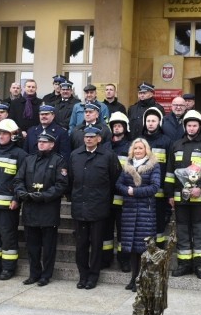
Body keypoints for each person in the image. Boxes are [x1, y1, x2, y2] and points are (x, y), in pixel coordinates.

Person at [163, 110, 201, 279]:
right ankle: (184, 264)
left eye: (195, 125)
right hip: (180, 198)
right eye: (189, 125)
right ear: (185, 127)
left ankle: (200, 266)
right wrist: (169, 194)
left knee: (200, 231)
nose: (192, 128)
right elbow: (170, 172)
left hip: (199, 198)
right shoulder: (176, 145)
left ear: (199, 127)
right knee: (183, 231)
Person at [67, 126, 121, 289]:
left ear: (99, 138)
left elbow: (114, 180)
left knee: (97, 244)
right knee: (81, 244)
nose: (88, 139)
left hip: (99, 207)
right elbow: (70, 180)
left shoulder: (108, 156)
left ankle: (93, 276)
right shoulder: (75, 155)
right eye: (86, 137)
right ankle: (82, 275)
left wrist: (103, 198)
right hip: (80, 206)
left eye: (92, 137)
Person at [13, 132, 68, 286]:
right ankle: (34, 273)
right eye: (39, 142)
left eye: (45, 142)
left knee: (49, 247)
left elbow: (61, 185)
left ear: (52, 144)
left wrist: (43, 196)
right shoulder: (28, 160)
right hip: (30, 208)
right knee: (32, 246)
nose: (41, 144)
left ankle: (46, 275)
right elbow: (18, 179)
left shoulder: (58, 161)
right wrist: (21, 192)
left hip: (48, 209)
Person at [0, 119, 28, 280]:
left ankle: (8, 268)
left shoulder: (20, 154)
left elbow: (21, 180)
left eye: (4, 133)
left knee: (8, 237)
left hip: (9, 205)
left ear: (13, 136)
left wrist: (17, 199)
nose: (0, 136)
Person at [116, 138, 161, 291]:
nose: (138, 151)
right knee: (133, 249)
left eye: (141, 148)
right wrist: (127, 191)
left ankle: (143, 279)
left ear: (146, 150)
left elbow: (155, 187)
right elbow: (119, 184)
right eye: (135, 148)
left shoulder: (153, 165)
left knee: (143, 249)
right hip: (129, 211)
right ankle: (133, 278)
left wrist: (134, 192)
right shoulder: (127, 165)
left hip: (145, 212)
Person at [140, 107, 173, 248]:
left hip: (160, 191)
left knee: (159, 222)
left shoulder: (166, 141)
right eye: (148, 121)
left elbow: (170, 166)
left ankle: (159, 250)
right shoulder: (139, 141)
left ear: (159, 122)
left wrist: (168, 189)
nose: (150, 123)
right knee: (143, 222)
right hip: (141, 190)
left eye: (153, 120)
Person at [105, 111, 132, 270]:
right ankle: (105, 259)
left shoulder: (130, 147)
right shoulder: (105, 146)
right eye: (114, 126)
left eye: (119, 125)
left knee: (124, 232)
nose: (116, 128)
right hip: (106, 196)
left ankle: (124, 260)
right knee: (105, 231)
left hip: (123, 196)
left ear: (125, 128)